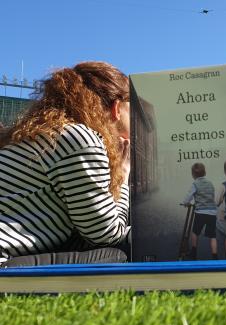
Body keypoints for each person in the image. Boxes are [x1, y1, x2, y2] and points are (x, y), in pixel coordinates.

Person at [0, 61, 131, 267]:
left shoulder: (43, 133)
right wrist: (123, 177)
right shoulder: (79, 138)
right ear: (116, 108)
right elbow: (105, 234)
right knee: (124, 249)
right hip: (4, 260)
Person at [182, 163, 218, 260]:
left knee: (195, 232)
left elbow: (189, 195)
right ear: (204, 172)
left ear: (193, 174)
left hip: (201, 212)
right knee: (213, 236)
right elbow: (212, 195)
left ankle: (193, 253)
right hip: (212, 212)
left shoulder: (195, 184)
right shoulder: (210, 183)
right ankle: (215, 256)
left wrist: (185, 202)